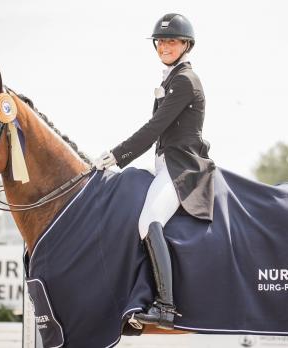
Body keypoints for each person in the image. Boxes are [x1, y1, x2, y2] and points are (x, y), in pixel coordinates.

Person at [94, 13, 215, 329]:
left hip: (182, 168)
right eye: (161, 41)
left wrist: (115, 155)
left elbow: (153, 130)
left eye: (172, 41)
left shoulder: (185, 80)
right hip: (165, 162)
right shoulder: (171, 79)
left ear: (186, 45)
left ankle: (165, 307)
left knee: (149, 221)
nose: (165, 46)